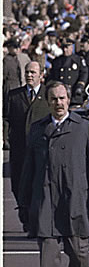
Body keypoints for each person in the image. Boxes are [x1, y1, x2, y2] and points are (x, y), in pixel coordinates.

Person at [18, 81, 89, 267]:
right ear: (47, 102)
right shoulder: (38, 130)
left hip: (75, 198)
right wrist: (24, 201)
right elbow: (28, 168)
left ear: (68, 100)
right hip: (46, 198)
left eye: (62, 98)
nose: (58, 103)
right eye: (54, 99)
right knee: (48, 251)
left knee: (78, 250)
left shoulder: (84, 128)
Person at [3, 61, 51, 209]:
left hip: (40, 148)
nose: (29, 75)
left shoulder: (48, 94)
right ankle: (23, 210)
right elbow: (5, 118)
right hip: (19, 148)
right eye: (27, 72)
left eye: (33, 72)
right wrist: (4, 137)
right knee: (18, 182)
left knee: (39, 183)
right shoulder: (14, 96)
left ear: (41, 75)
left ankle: (35, 215)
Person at [48, 37, 89, 104]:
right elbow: (53, 76)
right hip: (61, 94)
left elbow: (84, 73)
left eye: (67, 48)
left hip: (74, 93)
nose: (64, 50)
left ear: (71, 48)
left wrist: (80, 85)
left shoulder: (78, 60)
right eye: (63, 48)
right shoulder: (57, 61)